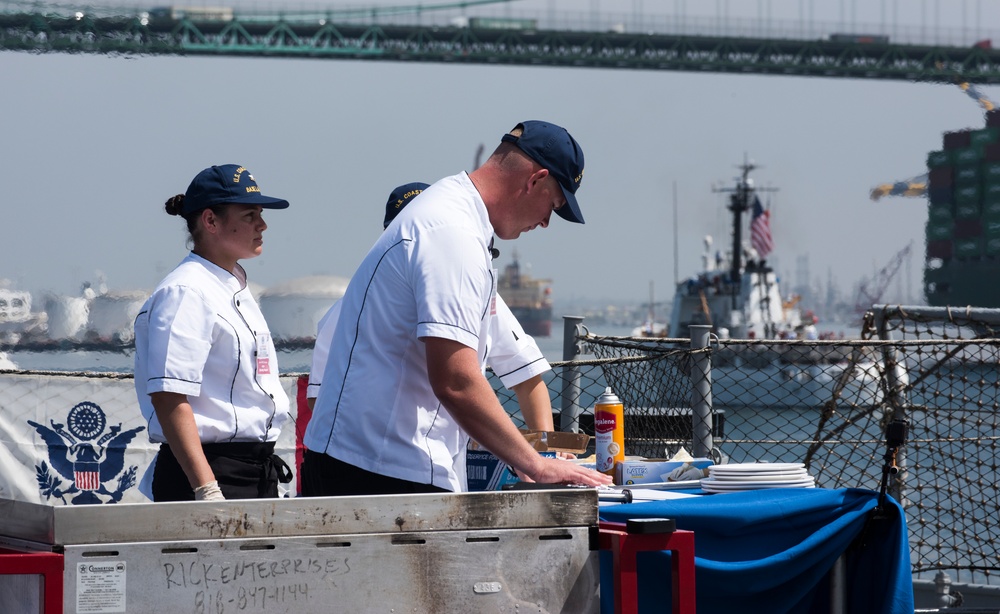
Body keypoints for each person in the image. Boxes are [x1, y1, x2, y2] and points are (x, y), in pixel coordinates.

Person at [301, 120, 612, 496]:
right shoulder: (453, 235)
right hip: (378, 473)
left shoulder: (451, 216)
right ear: (536, 180)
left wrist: (529, 460)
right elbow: (456, 381)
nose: (546, 222)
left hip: (370, 463)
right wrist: (536, 464)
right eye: (553, 205)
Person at [306, 183, 557, 434]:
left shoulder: (476, 295)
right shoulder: (343, 314)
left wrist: (549, 449)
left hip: (448, 454)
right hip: (376, 453)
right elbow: (322, 401)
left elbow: (527, 375)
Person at [133, 164, 293, 502]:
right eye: (250, 215)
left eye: (261, 214)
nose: (262, 225)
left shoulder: (231, 285)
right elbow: (169, 396)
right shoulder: (186, 292)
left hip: (251, 470)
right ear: (210, 221)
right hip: (209, 473)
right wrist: (207, 490)